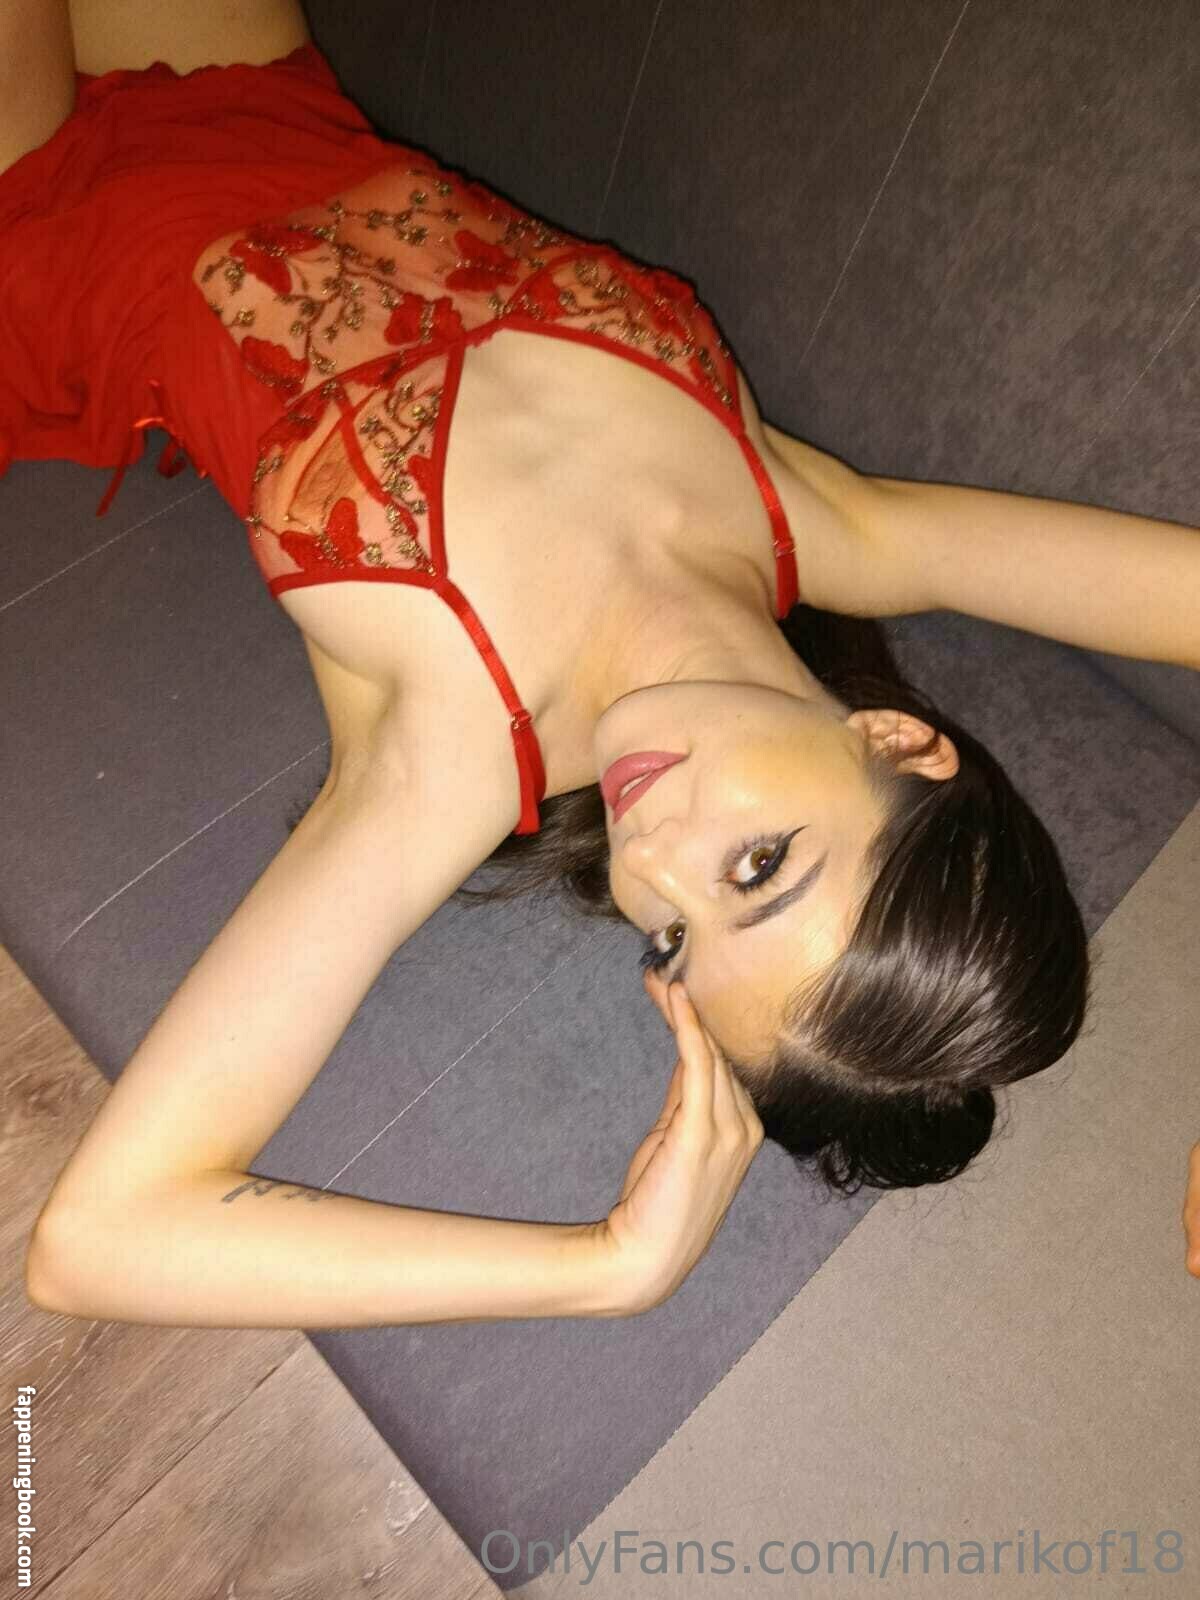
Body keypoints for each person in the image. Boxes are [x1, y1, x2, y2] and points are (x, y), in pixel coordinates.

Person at [9, 0, 1199, 1331]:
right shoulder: (833, 529)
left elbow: (100, 1237)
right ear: (897, 742)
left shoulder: (449, 758)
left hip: (44, 225)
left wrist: (611, 1266)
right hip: (258, 89)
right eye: (758, 866)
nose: (649, 858)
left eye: (671, 937)